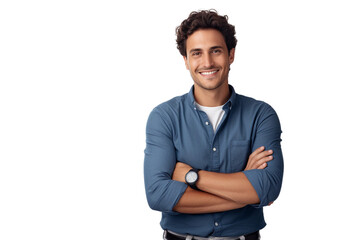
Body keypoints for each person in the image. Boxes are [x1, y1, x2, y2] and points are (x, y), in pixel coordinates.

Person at [144, 9, 284, 240]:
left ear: (231, 55)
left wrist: (192, 177)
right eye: (197, 53)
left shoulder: (261, 115)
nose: (207, 62)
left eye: (216, 51)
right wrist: (245, 188)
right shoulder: (164, 117)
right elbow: (157, 195)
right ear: (186, 61)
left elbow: (268, 187)